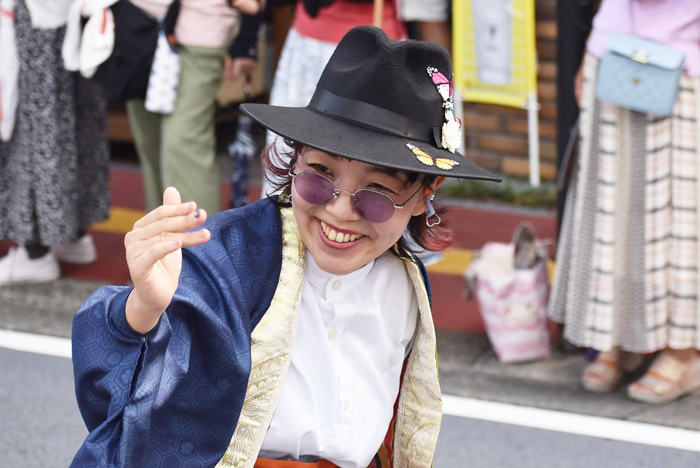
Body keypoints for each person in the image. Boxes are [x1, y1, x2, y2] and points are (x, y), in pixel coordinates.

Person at [70, 26, 498, 467]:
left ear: (425, 195)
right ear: (293, 159)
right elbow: (117, 402)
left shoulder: (407, 284)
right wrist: (142, 310)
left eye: (376, 195)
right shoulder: (224, 259)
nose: (339, 212)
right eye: (318, 176)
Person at [548, 0, 700, 403]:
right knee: (611, 208)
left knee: (678, 215)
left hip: (684, 65)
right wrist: (588, 52)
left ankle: (683, 352)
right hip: (612, 51)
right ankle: (621, 335)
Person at [0, 0, 109, 285]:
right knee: (73, 127)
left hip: (38, 19)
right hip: (74, 19)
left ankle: (34, 252)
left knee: (32, 131)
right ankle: (73, 233)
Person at [125, 0, 261, 217]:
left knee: (182, 145)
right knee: (151, 145)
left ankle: (200, 247)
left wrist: (247, 38)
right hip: (135, 22)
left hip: (201, 30)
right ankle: (160, 245)